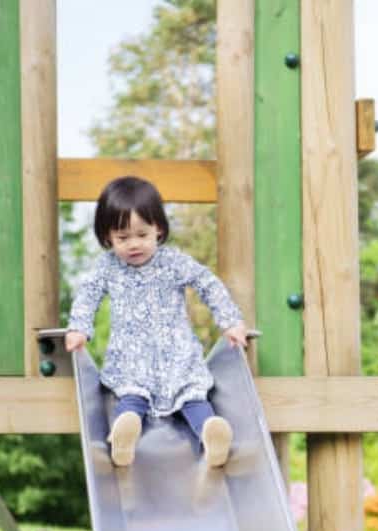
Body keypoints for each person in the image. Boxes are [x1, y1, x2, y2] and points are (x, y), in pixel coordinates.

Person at [65, 175, 248, 468]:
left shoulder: (173, 262)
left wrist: (230, 321)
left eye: (142, 234)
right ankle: (125, 434)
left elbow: (207, 283)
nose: (133, 244)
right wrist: (79, 328)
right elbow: (88, 295)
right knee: (131, 395)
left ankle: (211, 434)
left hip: (176, 355)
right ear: (107, 237)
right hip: (131, 356)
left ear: (158, 230)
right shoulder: (107, 267)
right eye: (122, 238)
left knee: (192, 396)